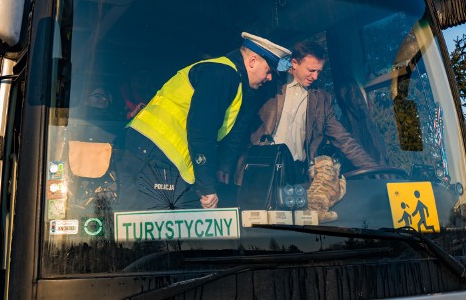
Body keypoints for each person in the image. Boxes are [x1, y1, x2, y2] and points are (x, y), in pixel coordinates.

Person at [117, 32, 290, 210]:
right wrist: (207, 187)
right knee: (153, 224)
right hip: (153, 153)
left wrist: (222, 164)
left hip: (146, 150)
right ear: (253, 61)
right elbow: (202, 131)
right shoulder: (222, 74)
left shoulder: (230, 76)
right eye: (268, 71)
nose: (269, 78)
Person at [238, 40, 378, 185]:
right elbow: (241, 125)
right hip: (259, 169)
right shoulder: (269, 85)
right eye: (311, 70)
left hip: (296, 176)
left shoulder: (322, 100)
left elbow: (343, 139)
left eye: (319, 71)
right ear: (294, 63)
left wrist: (375, 168)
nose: (315, 77)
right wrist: (225, 165)